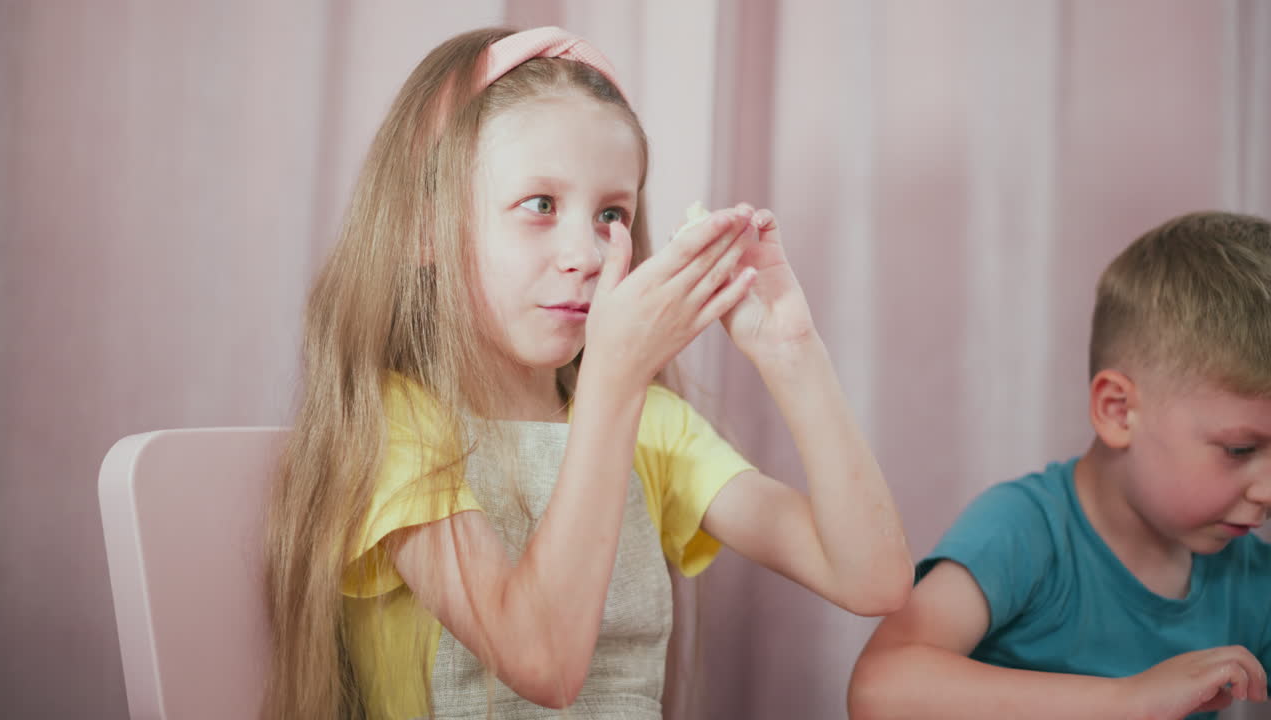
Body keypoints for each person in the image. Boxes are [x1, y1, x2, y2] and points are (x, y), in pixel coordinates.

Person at [262, 26, 911, 720]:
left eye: (611, 214)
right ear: (425, 230)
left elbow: (871, 579)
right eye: (539, 206)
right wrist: (612, 382)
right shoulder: (398, 426)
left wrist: (793, 349)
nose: (588, 252)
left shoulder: (651, 426)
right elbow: (542, 662)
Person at [849, 210, 1271, 720]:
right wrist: (1128, 700)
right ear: (1119, 411)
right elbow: (879, 689)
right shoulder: (1023, 529)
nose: (1266, 491)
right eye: (1241, 451)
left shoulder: (1252, 574)